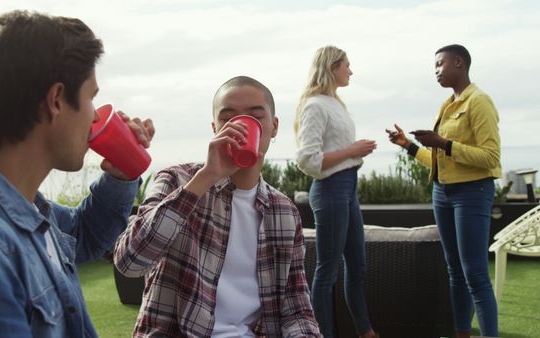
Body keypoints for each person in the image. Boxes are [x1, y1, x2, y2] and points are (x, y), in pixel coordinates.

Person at [0, 10, 154, 338]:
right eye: (91, 97)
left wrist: (120, 175)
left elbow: (84, 234)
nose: (95, 115)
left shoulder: (18, 206)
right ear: (56, 100)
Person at [114, 76, 320, 337]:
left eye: (256, 116)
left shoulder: (284, 212)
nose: (242, 127)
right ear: (215, 128)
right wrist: (207, 177)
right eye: (228, 119)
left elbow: (297, 308)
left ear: (274, 127)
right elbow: (130, 262)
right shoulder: (177, 181)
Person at [386, 44, 500, 338]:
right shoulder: (447, 104)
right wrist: (409, 147)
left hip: (472, 193)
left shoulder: (479, 101)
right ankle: (462, 333)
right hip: (443, 193)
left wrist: (444, 143)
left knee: (474, 274)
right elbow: (440, 159)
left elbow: (491, 158)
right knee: (455, 272)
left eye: (440, 64)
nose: (436, 71)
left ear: (459, 63)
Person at [294, 45, 379, 338]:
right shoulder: (315, 105)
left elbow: (335, 151)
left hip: (348, 189)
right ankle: (323, 334)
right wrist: (353, 150)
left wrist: (354, 154)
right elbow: (308, 160)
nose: (351, 71)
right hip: (330, 190)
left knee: (358, 265)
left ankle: (365, 330)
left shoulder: (335, 103)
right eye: (347, 65)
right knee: (327, 270)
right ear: (332, 68)